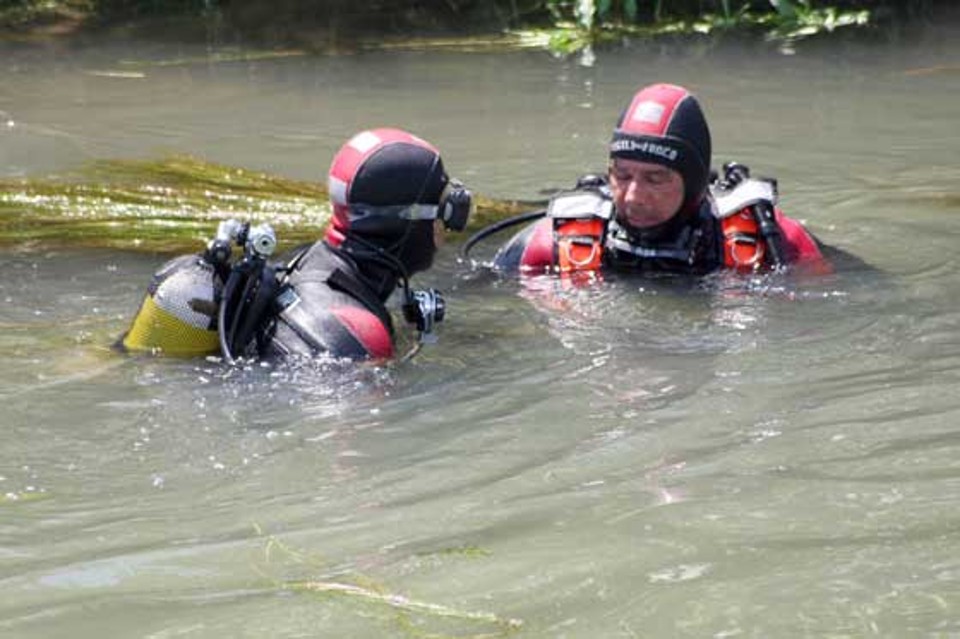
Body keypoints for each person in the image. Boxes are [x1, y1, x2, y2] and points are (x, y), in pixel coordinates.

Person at [119, 127, 472, 362]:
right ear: (405, 220)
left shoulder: (312, 264)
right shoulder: (355, 334)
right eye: (444, 208)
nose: (447, 225)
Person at [485, 83, 827, 277]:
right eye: (622, 175)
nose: (633, 196)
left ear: (693, 182)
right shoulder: (552, 241)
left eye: (656, 178)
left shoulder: (772, 240)